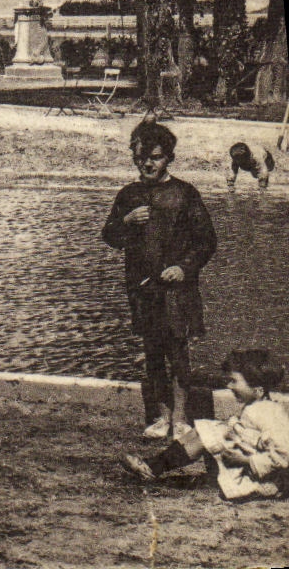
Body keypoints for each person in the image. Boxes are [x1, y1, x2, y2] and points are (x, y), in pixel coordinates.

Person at [102, 121, 217, 440]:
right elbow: (109, 235)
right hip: (143, 288)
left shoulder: (184, 194)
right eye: (141, 159)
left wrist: (184, 267)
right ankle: (159, 416)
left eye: (155, 157)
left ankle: (181, 418)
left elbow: (206, 241)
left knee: (178, 350)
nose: (148, 164)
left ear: (169, 158)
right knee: (152, 350)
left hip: (177, 289)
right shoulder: (128, 195)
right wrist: (125, 221)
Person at [122, 349, 289, 500]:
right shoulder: (259, 406)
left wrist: (246, 461)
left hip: (264, 479)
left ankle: (152, 468)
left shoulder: (270, 414)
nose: (229, 385)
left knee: (212, 434)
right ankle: (154, 465)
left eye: (234, 381)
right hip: (248, 466)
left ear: (257, 390)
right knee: (208, 428)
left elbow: (284, 455)